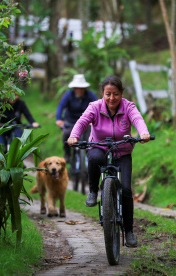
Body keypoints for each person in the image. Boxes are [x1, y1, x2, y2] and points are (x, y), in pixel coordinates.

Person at [67, 76, 151, 248]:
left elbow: (137, 120)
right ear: (102, 94)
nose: (112, 98)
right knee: (94, 157)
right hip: (100, 147)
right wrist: (74, 136)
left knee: (126, 189)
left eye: (116, 94)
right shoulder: (94, 107)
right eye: (108, 94)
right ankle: (92, 191)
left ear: (121, 94)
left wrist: (143, 133)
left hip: (122, 150)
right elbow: (82, 122)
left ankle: (128, 231)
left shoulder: (129, 107)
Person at [56, 74, 98, 162]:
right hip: (71, 121)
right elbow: (61, 106)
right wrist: (59, 119)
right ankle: (67, 154)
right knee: (66, 134)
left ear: (84, 88)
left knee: (91, 138)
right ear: (74, 88)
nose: (79, 90)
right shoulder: (68, 95)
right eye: (77, 88)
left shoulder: (90, 95)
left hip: (86, 122)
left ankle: (90, 157)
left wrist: (95, 119)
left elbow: (98, 106)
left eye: (81, 88)